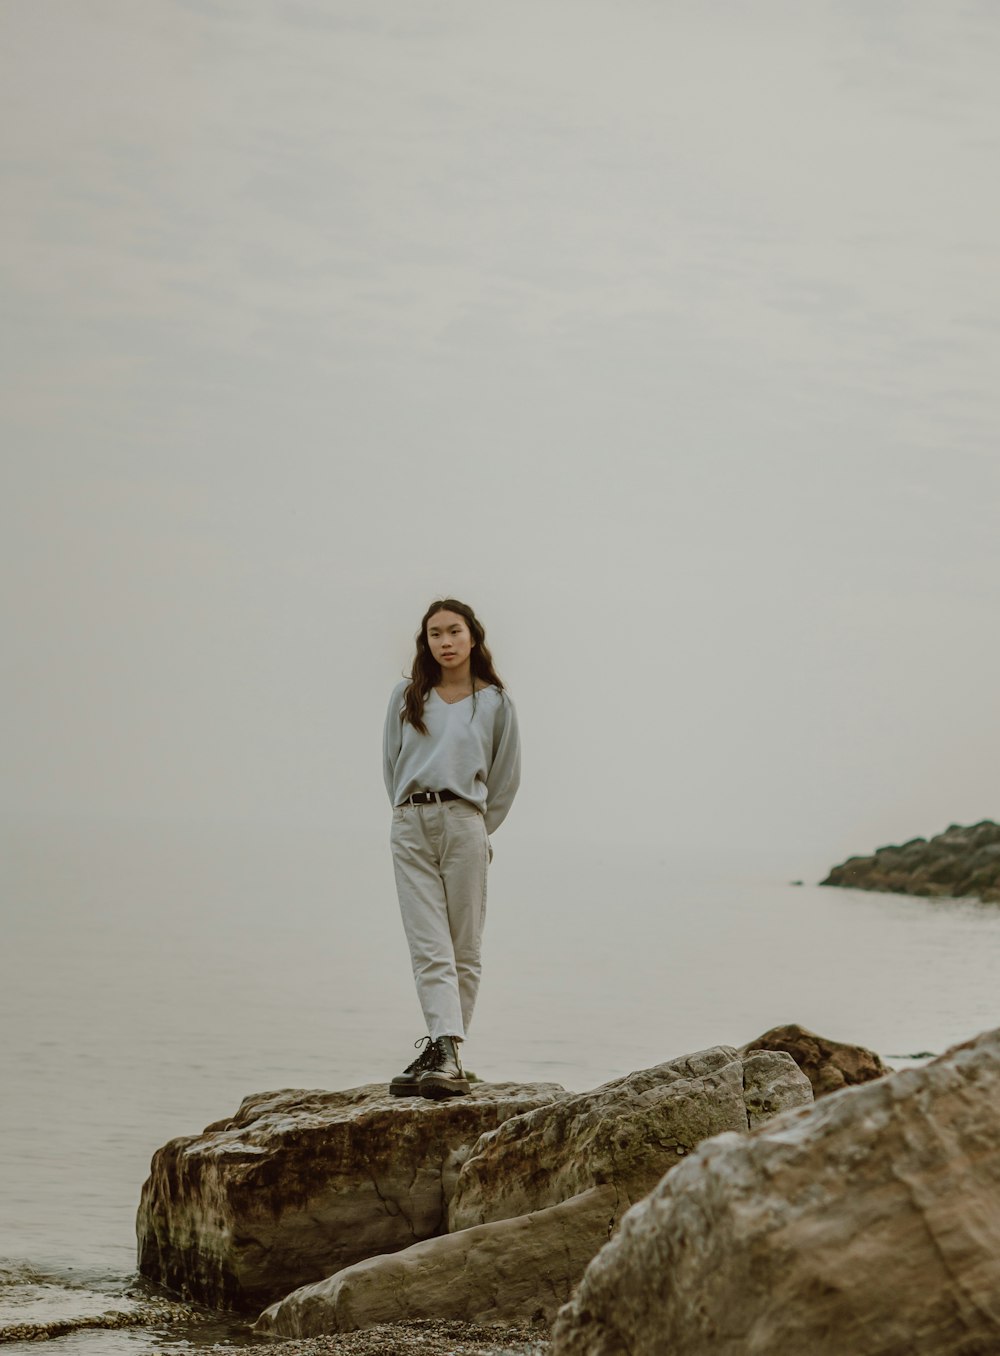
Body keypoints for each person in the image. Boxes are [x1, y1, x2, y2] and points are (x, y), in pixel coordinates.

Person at [383, 599, 520, 1099]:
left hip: (465, 823)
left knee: (463, 945)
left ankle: (446, 1049)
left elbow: (505, 779)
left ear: (472, 637)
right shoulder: (407, 697)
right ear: (427, 642)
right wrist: (406, 814)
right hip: (410, 823)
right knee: (427, 945)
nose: (445, 641)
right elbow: (390, 766)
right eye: (435, 633)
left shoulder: (496, 704)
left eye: (453, 631)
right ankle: (444, 1048)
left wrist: (477, 827)